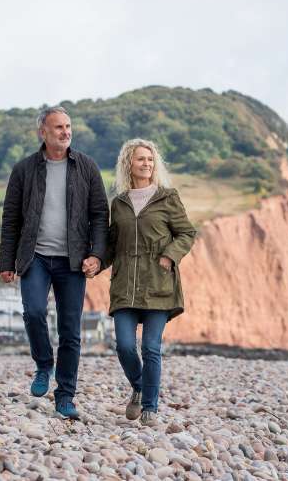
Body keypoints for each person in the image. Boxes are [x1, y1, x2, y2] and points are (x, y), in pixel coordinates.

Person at [0, 106, 109, 420]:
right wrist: (7, 260)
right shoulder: (24, 170)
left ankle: (65, 396)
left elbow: (101, 216)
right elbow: (11, 220)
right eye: (58, 127)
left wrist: (97, 255)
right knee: (33, 311)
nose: (65, 132)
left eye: (68, 126)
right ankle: (44, 365)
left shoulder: (86, 167)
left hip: (73, 260)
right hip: (35, 256)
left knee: (71, 331)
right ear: (43, 132)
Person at [104, 138, 196, 426]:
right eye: (141, 158)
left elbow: (187, 233)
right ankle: (140, 386)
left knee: (151, 348)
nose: (147, 163)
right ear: (128, 163)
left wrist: (170, 255)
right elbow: (111, 245)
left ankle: (150, 408)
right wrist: (96, 261)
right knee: (124, 346)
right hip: (124, 287)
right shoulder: (118, 203)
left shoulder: (168, 197)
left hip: (159, 283)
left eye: (150, 159)